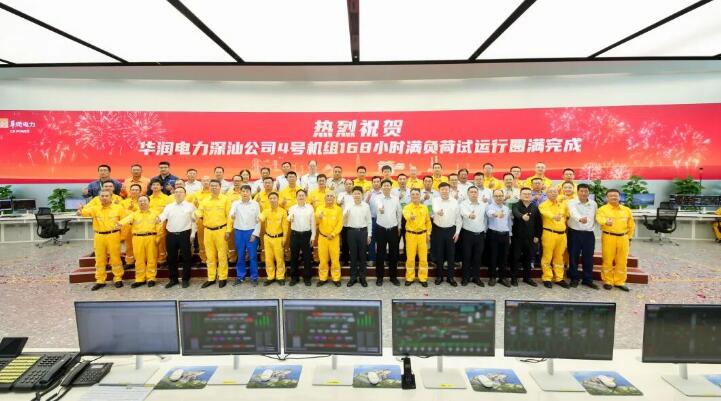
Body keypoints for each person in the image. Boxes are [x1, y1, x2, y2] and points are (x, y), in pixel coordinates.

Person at [77, 189, 126, 290]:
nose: (104, 198)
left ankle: (118, 278)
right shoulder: (95, 208)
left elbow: (124, 222)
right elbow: (84, 212)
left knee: (115, 258)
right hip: (99, 236)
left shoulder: (118, 208)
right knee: (100, 259)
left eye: (106, 196)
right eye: (102, 196)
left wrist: (122, 237)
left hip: (113, 235)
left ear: (111, 197)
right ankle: (100, 280)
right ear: (99, 197)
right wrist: (79, 211)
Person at [116, 195, 162, 288]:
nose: (142, 202)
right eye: (140, 201)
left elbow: (160, 226)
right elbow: (126, 220)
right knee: (139, 259)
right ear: (138, 203)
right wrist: (120, 224)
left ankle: (151, 278)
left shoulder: (155, 213)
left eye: (144, 201)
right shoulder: (134, 214)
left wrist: (158, 238)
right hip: (137, 239)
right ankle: (140, 279)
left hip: (151, 238)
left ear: (149, 202)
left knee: (151, 259)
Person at [596, 189, 635, 291]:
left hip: (623, 238)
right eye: (611, 196)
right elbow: (599, 219)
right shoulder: (602, 209)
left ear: (619, 197)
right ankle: (608, 281)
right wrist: (605, 222)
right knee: (607, 260)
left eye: (615, 195)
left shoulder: (626, 210)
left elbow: (631, 225)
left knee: (622, 261)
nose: (613, 197)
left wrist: (629, 237)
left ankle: (619, 281)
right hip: (609, 237)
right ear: (607, 198)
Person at [194, 179, 231, 288]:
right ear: (209, 187)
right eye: (212, 186)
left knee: (222, 255)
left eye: (216, 186)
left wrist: (228, 230)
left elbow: (229, 216)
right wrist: (195, 214)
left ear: (220, 187)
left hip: (221, 230)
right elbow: (200, 211)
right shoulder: (205, 200)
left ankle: (223, 277)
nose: (214, 188)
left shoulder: (225, 199)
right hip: (208, 231)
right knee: (210, 256)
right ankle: (211, 278)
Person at [158, 187, 196, 288]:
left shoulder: (190, 206)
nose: (178, 194)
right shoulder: (169, 206)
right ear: (174, 194)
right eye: (176, 192)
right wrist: (158, 219)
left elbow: (194, 221)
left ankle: (185, 279)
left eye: (181, 192)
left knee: (186, 258)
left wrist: (193, 234)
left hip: (185, 234)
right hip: (171, 235)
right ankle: (173, 279)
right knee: (171, 258)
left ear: (185, 194)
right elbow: (163, 216)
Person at [566, 183, 599, 289]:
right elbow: (573, 213)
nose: (584, 193)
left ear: (589, 192)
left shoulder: (593, 204)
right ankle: (574, 278)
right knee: (573, 256)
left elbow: (596, 216)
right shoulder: (572, 202)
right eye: (582, 191)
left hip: (589, 234)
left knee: (588, 257)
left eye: (586, 191)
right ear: (577, 192)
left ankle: (587, 279)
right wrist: (580, 218)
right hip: (574, 233)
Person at [228, 184, 261, 286]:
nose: (245, 193)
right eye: (243, 191)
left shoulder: (255, 204)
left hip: (251, 232)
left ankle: (254, 277)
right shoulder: (236, 203)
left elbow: (258, 220)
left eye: (247, 191)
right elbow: (231, 213)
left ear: (250, 193)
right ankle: (240, 277)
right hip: (239, 232)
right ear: (240, 192)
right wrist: (232, 215)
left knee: (253, 256)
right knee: (240, 255)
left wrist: (255, 234)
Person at [538, 187, 569, 288]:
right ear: (546, 194)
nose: (553, 193)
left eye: (555, 191)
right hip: (549, 234)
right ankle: (547, 278)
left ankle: (559, 278)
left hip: (562, 235)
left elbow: (567, 215)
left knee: (559, 257)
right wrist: (554, 216)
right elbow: (547, 213)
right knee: (547, 256)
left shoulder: (563, 204)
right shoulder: (543, 205)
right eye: (550, 192)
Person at [431, 182, 461, 286]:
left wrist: (457, 232)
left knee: (451, 254)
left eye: (446, 189)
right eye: (442, 189)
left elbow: (458, 218)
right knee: (439, 254)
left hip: (451, 230)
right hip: (438, 230)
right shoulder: (435, 200)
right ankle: (439, 277)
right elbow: (435, 208)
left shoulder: (455, 202)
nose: (444, 191)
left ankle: (450, 277)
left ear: (449, 190)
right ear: (439, 191)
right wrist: (438, 212)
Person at [375, 179, 402, 286]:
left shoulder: (395, 199)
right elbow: (379, 206)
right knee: (380, 254)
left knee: (394, 254)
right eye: (384, 185)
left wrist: (399, 226)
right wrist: (380, 209)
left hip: (393, 229)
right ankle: (379, 277)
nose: (386, 187)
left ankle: (393, 277)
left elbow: (399, 213)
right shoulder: (378, 198)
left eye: (388, 185)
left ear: (391, 187)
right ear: (381, 187)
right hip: (381, 229)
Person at [511, 188, 541, 287]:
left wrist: (537, 236)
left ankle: (527, 278)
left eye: (529, 194)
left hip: (530, 238)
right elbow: (515, 213)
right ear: (520, 195)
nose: (527, 195)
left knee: (528, 258)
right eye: (524, 194)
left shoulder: (535, 207)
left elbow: (538, 223)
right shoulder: (516, 205)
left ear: (531, 196)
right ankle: (514, 278)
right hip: (517, 237)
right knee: (515, 258)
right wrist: (522, 216)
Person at [403, 188, 432, 287]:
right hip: (410, 235)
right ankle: (409, 278)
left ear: (420, 196)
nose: (415, 196)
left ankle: (423, 278)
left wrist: (428, 233)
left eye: (417, 194)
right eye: (413, 194)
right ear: (410, 196)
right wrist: (410, 217)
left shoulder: (425, 208)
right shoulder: (407, 207)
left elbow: (428, 221)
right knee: (410, 258)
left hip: (422, 235)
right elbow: (406, 215)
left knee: (423, 259)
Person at [259, 192, 289, 286]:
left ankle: (280, 277)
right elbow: (260, 218)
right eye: (270, 198)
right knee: (268, 259)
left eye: (274, 198)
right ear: (268, 200)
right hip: (268, 238)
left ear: (278, 199)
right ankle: (270, 277)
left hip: (278, 238)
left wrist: (284, 238)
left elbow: (285, 226)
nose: (272, 200)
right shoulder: (266, 211)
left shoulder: (283, 212)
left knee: (279, 259)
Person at [344, 186, 372, 287]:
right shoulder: (348, 205)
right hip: (351, 232)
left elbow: (369, 221)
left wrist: (369, 234)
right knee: (353, 256)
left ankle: (362, 277)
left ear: (362, 195)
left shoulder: (366, 206)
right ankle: (353, 277)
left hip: (363, 232)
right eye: (355, 193)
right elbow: (344, 221)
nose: (356, 195)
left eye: (358, 193)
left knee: (363, 256)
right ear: (352, 195)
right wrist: (345, 216)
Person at [460, 186, 487, 287]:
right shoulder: (463, 204)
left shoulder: (483, 204)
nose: (473, 194)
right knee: (466, 256)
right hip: (467, 234)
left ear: (478, 193)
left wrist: (485, 230)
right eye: (471, 192)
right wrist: (469, 215)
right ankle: (465, 278)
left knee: (477, 257)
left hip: (480, 234)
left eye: (475, 192)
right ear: (468, 194)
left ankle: (476, 278)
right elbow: (463, 212)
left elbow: (485, 218)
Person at [288, 189, 316, 286]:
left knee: (307, 257)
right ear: (296, 197)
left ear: (306, 197)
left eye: (302, 195)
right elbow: (289, 217)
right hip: (295, 235)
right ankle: (294, 278)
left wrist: (313, 236)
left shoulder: (310, 208)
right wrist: (290, 217)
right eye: (299, 195)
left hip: (306, 235)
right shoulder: (292, 208)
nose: (301, 197)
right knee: (294, 256)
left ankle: (307, 277)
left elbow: (313, 223)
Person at [486, 189, 513, 287]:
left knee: (504, 257)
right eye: (496, 196)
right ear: (493, 197)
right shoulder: (489, 207)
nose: (499, 198)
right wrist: (497, 214)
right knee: (493, 256)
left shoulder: (506, 208)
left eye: (500, 196)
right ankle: (493, 277)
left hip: (505, 234)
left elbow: (509, 223)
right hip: (493, 234)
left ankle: (503, 277)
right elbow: (490, 213)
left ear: (503, 196)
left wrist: (509, 235)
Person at [316, 192, 344, 287]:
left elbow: (340, 224)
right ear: (324, 198)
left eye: (331, 196)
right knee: (323, 259)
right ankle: (323, 278)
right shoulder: (319, 208)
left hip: (334, 238)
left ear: (334, 198)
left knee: (335, 259)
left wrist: (333, 234)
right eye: (327, 196)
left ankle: (336, 278)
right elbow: (315, 221)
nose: (329, 197)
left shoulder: (338, 210)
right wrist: (319, 218)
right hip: (322, 238)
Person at [187, 176, 212, 263]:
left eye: (207, 180)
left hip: (212, 220)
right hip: (200, 220)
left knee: (212, 241)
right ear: (201, 182)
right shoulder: (196, 194)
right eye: (204, 180)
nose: (206, 182)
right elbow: (192, 207)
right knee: (201, 240)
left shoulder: (214, 193)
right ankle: (204, 259)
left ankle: (212, 258)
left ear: (210, 182)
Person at [148, 180, 171, 264]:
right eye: (153, 185)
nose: (155, 186)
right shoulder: (148, 198)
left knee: (162, 242)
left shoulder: (167, 198)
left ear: (161, 187)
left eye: (157, 185)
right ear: (151, 187)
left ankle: (163, 259)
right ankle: (154, 259)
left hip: (163, 225)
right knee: (152, 242)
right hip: (150, 225)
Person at [120, 183, 142, 266]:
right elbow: (121, 214)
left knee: (139, 246)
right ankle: (129, 262)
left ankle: (139, 262)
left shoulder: (143, 201)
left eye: (136, 190)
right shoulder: (124, 202)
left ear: (140, 191)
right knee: (129, 246)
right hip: (128, 228)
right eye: (133, 190)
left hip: (139, 228)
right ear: (130, 191)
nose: (134, 191)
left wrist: (134, 208)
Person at [365, 176, 383, 266]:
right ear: (372, 183)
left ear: (380, 183)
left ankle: (381, 260)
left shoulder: (384, 193)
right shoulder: (368, 193)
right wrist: (368, 197)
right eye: (374, 182)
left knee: (382, 241)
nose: (376, 183)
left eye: (378, 181)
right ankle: (372, 259)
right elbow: (364, 205)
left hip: (382, 220)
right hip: (371, 220)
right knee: (371, 240)